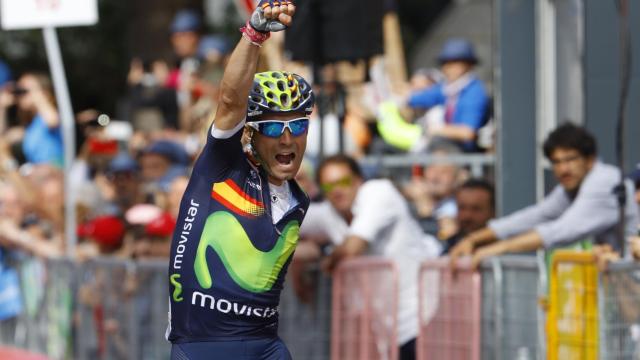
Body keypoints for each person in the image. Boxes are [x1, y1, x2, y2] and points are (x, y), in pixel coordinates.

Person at [166, 1, 314, 359]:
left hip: (266, 347)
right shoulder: (221, 167)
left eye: (298, 126)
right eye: (274, 126)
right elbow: (232, 101)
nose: (286, 138)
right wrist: (254, 33)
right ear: (250, 133)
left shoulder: (299, 200)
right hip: (202, 348)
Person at [298, 154, 441, 360]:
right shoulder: (329, 213)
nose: (337, 190)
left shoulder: (379, 192)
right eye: (329, 186)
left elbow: (353, 246)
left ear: (359, 180)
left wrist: (329, 259)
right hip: (387, 331)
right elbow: (280, 223)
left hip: (427, 316)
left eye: (344, 182)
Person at [449, 123, 639, 268]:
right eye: (556, 162)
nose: (563, 169)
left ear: (590, 160)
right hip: (624, 286)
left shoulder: (605, 182)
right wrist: (473, 239)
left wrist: (494, 249)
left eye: (570, 159)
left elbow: (562, 230)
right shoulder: (573, 186)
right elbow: (534, 216)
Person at [406, 38, 490, 152]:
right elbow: (419, 98)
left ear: (468, 64)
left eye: (453, 63)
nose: (446, 68)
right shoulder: (448, 88)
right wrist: (401, 96)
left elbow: (468, 133)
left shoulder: (474, 92)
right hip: (446, 148)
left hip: (463, 154)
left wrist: (436, 129)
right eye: (445, 63)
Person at [440, 179, 495, 254]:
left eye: (476, 209)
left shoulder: (504, 249)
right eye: (462, 208)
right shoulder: (446, 245)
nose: (467, 215)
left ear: (492, 212)